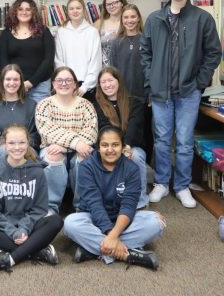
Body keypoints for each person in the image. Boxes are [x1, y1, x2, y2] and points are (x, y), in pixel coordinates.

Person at [141, 0, 222, 208]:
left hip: (188, 92)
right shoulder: (155, 19)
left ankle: (182, 186)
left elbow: (213, 53)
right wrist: (151, 79)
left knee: (185, 142)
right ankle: (162, 183)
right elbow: (145, 53)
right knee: (162, 140)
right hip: (161, 93)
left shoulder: (202, 18)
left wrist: (199, 82)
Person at [63, 126, 165, 269]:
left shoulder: (131, 168)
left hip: (121, 221)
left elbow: (129, 206)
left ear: (123, 147)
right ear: (98, 148)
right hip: (93, 218)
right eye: (105, 145)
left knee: (156, 222)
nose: (110, 149)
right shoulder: (87, 166)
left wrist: (113, 235)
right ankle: (127, 254)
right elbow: (94, 204)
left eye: (115, 145)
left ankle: (94, 250)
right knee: (70, 223)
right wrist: (111, 234)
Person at [0, 124, 64, 275]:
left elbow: (39, 209)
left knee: (56, 221)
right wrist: (12, 232)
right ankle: (36, 250)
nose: (17, 147)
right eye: (12, 143)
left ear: (28, 143)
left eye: (22, 142)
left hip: (30, 225)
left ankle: (10, 258)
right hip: (3, 227)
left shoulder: (37, 171)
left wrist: (23, 229)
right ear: (4, 144)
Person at [35, 66, 98, 213]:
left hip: (78, 148)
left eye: (69, 80)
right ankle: (50, 208)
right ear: (53, 83)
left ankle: (82, 207)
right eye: (60, 80)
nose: (64, 83)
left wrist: (65, 146)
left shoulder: (86, 105)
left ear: (75, 84)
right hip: (53, 147)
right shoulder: (44, 105)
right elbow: (48, 132)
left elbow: (91, 133)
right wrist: (76, 143)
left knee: (85, 158)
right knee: (52, 155)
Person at [92, 67, 148, 209]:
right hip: (109, 146)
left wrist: (127, 145)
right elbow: (104, 129)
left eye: (110, 80)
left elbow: (134, 127)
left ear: (118, 81)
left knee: (135, 156)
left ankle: (140, 202)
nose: (107, 84)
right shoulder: (96, 105)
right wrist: (117, 147)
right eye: (103, 82)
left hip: (131, 145)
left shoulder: (134, 102)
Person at [109, 3, 153, 164]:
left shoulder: (147, 40)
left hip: (144, 96)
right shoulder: (117, 42)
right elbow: (112, 71)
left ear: (139, 18)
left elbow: (152, 68)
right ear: (122, 19)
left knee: (146, 132)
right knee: (125, 131)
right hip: (124, 98)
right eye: (126, 17)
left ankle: (146, 165)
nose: (130, 20)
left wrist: (150, 93)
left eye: (133, 16)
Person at [0, 0, 55, 103]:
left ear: (33, 12)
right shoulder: (6, 34)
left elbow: (48, 60)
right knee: (18, 119)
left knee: (40, 118)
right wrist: (15, 82)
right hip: (14, 86)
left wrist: (31, 82)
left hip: (40, 85)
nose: (24, 12)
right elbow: (3, 63)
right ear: (15, 12)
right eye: (20, 9)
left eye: (28, 9)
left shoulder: (44, 31)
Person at [0, 64, 39, 163]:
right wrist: (10, 146)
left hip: (26, 149)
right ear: (2, 81)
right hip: (1, 150)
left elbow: (35, 135)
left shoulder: (31, 105)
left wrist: (21, 146)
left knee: (29, 153)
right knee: (4, 151)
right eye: (8, 79)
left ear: (21, 82)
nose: (12, 83)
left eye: (16, 79)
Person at [54, 0, 102, 97]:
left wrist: (85, 87)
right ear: (67, 11)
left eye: (78, 8)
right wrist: (66, 82)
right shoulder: (61, 32)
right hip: (65, 85)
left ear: (84, 10)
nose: (75, 11)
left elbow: (96, 62)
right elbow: (58, 60)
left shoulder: (92, 32)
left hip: (87, 86)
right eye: (71, 9)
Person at [93, 0, 127, 66]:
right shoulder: (99, 24)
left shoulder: (128, 22)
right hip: (105, 69)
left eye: (115, 3)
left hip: (125, 66)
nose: (112, 6)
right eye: (108, 4)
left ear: (122, 3)